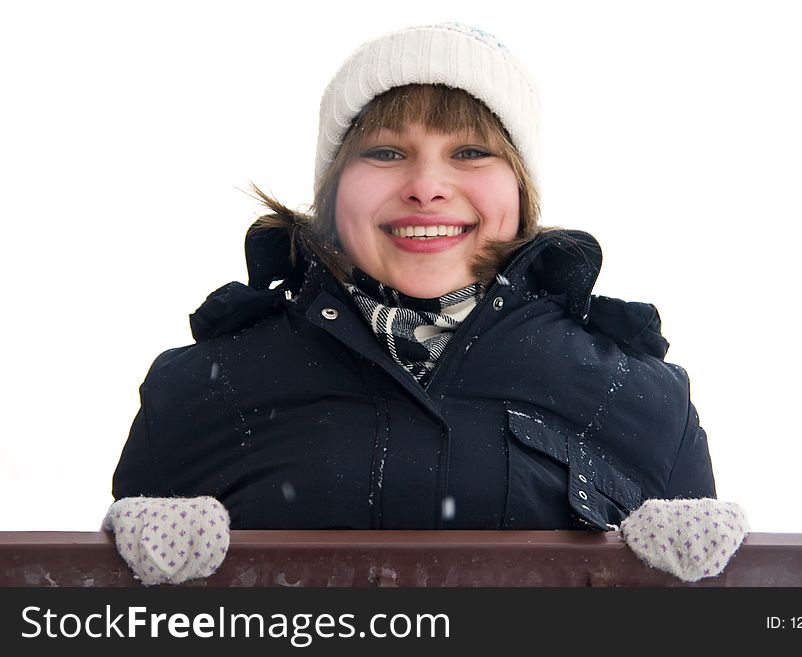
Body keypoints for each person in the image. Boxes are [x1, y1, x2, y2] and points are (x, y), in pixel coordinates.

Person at [112, 22, 716, 533]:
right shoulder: (198, 390)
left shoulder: (642, 400)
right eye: (385, 152)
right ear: (332, 193)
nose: (426, 185)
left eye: (471, 153)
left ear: (521, 191)